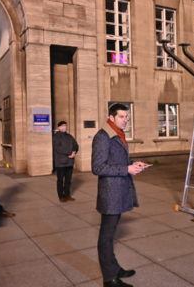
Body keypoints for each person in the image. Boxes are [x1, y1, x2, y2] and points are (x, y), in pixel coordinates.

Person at [92, 103, 148, 287]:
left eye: (126, 116)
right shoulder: (102, 137)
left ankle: (114, 269)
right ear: (111, 117)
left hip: (118, 191)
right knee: (106, 237)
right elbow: (98, 167)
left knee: (110, 235)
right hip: (110, 194)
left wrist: (133, 163)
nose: (126, 120)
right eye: (122, 116)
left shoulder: (118, 134)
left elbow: (117, 160)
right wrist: (126, 169)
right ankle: (109, 279)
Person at [53, 120, 79, 202]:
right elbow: (58, 148)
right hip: (60, 162)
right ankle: (61, 196)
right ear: (59, 127)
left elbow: (75, 144)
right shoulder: (56, 137)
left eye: (65, 125)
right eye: (62, 126)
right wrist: (69, 153)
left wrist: (74, 152)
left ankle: (67, 195)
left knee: (68, 180)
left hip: (69, 162)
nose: (64, 127)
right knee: (60, 180)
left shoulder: (69, 136)